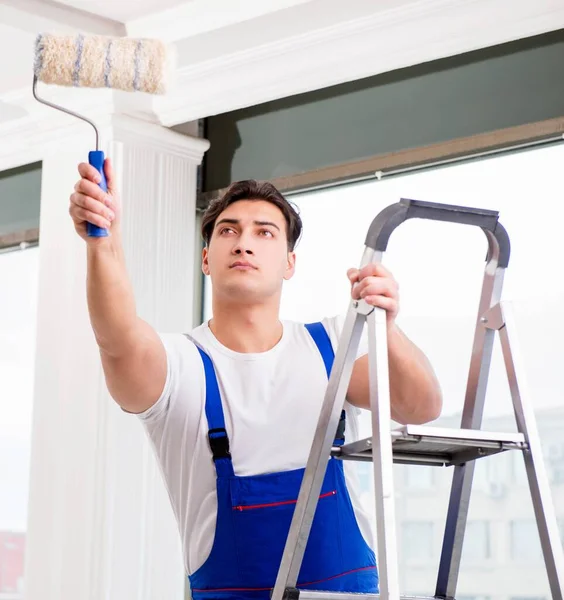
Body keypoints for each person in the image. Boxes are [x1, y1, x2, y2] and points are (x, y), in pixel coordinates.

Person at [69, 158, 442, 599]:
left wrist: (388, 328)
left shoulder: (333, 348)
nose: (244, 243)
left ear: (289, 262)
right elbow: (117, 337)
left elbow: (422, 406)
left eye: (264, 232)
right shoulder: (180, 366)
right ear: (206, 259)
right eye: (228, 230)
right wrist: (103, 240)